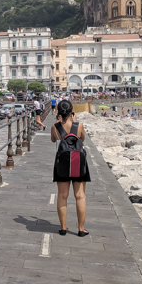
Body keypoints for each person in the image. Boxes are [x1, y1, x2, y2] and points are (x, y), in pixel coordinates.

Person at [51, 99, 89, 237]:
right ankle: (81, 228)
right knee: (80, 196)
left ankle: (63, 227)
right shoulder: (79, 126)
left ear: (59, 112)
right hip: (77, 162)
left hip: (62, 162)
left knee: (62, 195)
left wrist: (58, 122)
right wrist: (75, 122)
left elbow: (53, 140)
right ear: (72, 111)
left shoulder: (55, 127)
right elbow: (82, 139)